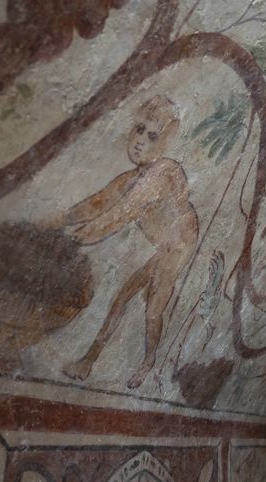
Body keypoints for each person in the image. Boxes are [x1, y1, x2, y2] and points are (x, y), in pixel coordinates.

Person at [56, 95, 199, 389]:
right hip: (163, 246)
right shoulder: (133, 177)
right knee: (121, 300)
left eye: (152, 135)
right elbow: (96, 205)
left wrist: (76, 238)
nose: (139, 141)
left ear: (165, 141)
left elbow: (120, 214)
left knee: (152, 311)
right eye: (138, 129)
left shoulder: (164, 172)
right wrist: (53, 223)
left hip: (175, 250)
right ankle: (88, 361)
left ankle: (147, 364)